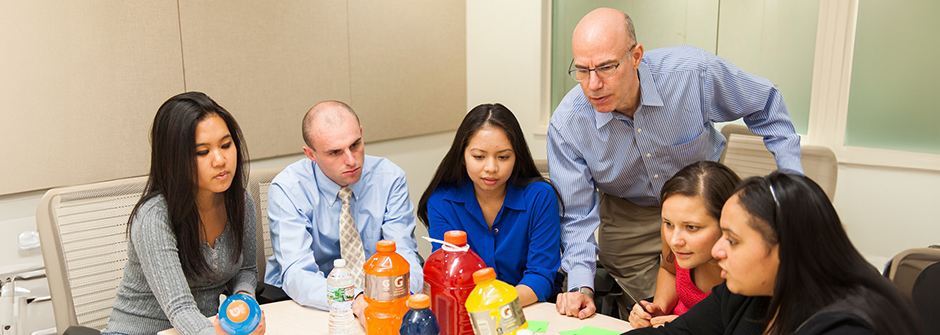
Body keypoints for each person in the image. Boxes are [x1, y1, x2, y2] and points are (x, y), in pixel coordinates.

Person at [550, 7, 803, 319]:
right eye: (583, 70)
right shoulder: (567, 124)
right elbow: (576, 217)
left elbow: (765, 103)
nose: (593, 84)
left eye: (605, 68)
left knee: (730, 301)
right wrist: (580, 288)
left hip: (704, 202)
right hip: (629, 213)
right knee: (659, 312)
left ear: (636, 56)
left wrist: (793, 187)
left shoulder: (691, 74)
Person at [630, 172, 925, 335]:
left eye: (732, 240)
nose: (718, 251)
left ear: (786, 249)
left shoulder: (846, 328)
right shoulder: (746, 291)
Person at [103, 92, 265, 335]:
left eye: (226, 145)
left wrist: (244, 302)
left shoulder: (241, 202)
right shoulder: (154, 218)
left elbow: (245, 271)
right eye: (202, 152)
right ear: (175, 160)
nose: (220, 160)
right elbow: (180, 308)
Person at [263, 100, 423, 323]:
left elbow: (405, 255)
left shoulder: (390, 179)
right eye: (335, 152)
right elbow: (297, 274)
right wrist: (355, 299)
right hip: (307, 304)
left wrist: (399, 297)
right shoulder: (289, 189)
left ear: (361, 133)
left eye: (355, 145)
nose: (351, 160)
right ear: (311, 154)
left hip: (380, 300)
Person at [417, 103, 562, 306]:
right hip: (466, 312)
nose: (491, 168)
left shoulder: (540, 197)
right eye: (479, 156)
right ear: (462, 156)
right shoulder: (441, 201)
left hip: (528, 308)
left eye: (503, 157)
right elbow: (450, 275)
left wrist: (498, 306)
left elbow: (541, 276)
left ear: (516, 157)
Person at [627, 161, 740, 328]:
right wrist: (659, 309)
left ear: (727, 224)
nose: (674, 240)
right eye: (668, 224)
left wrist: (690, 328)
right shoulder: (675, 235)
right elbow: (669, 270)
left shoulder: (749, 272)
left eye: (692, 227)